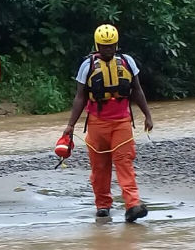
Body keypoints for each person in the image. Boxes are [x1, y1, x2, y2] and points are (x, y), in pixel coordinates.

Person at [61, 24, 153, 222]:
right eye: (103, 46)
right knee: (99, 167)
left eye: (111, 46)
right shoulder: (87, 66)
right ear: (97, 45)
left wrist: (147, 115)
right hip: (96, 124)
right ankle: (103, 205)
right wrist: (70, 125)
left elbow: (137, 90)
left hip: (122, 123)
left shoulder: (127, 62)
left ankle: (133, 204)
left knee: (124, 162)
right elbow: (80, 98)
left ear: (116, 45)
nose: (107, 50)